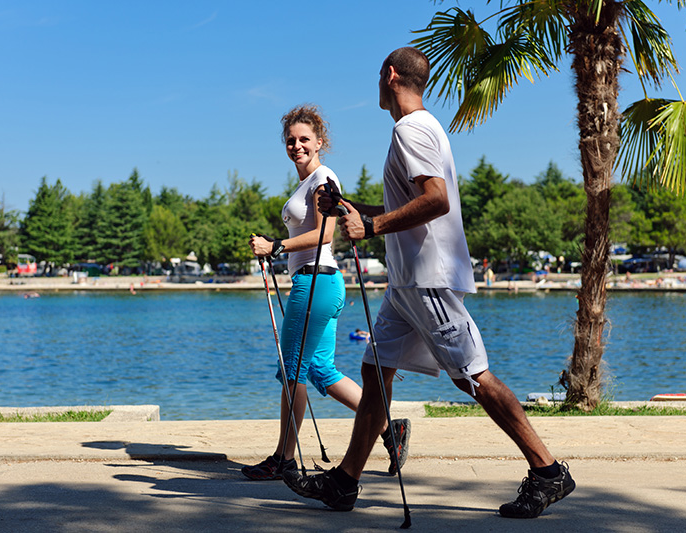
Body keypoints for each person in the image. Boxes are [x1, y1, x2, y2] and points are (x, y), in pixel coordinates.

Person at [283, 48, 575, 519]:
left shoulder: (410, 128)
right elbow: (408, 207)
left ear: (390, 75)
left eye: (378, 76)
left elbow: (435, 201)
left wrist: (373, 229)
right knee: (375, 372)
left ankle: (547, 472)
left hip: (427, 280)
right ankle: (344, 483)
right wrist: (352, 208)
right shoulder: (422, 128)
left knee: (473, 377)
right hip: (405, 284)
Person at [243, 104, 410, 481]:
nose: (297, 145)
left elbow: (327, 233)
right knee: (319, 369)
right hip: (322, 282)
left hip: (316, 281)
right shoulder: (306, 182)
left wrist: (277, 247)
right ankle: (389, 428)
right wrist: (278, 250)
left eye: (304, 139)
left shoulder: (323, 176)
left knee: (293, 370)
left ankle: (284, 458)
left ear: (320, 142)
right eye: (291, 140)